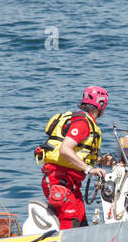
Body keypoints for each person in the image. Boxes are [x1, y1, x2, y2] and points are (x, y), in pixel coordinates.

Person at [34, 86, 108, 229]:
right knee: (71, 224)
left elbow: (77, 153)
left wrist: (100, 161)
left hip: (71, 184)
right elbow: (65, 150)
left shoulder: (84, 121)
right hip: (59, 182)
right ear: (101, 106)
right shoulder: (83, 123)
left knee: (81, 224)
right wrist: (89, 170)